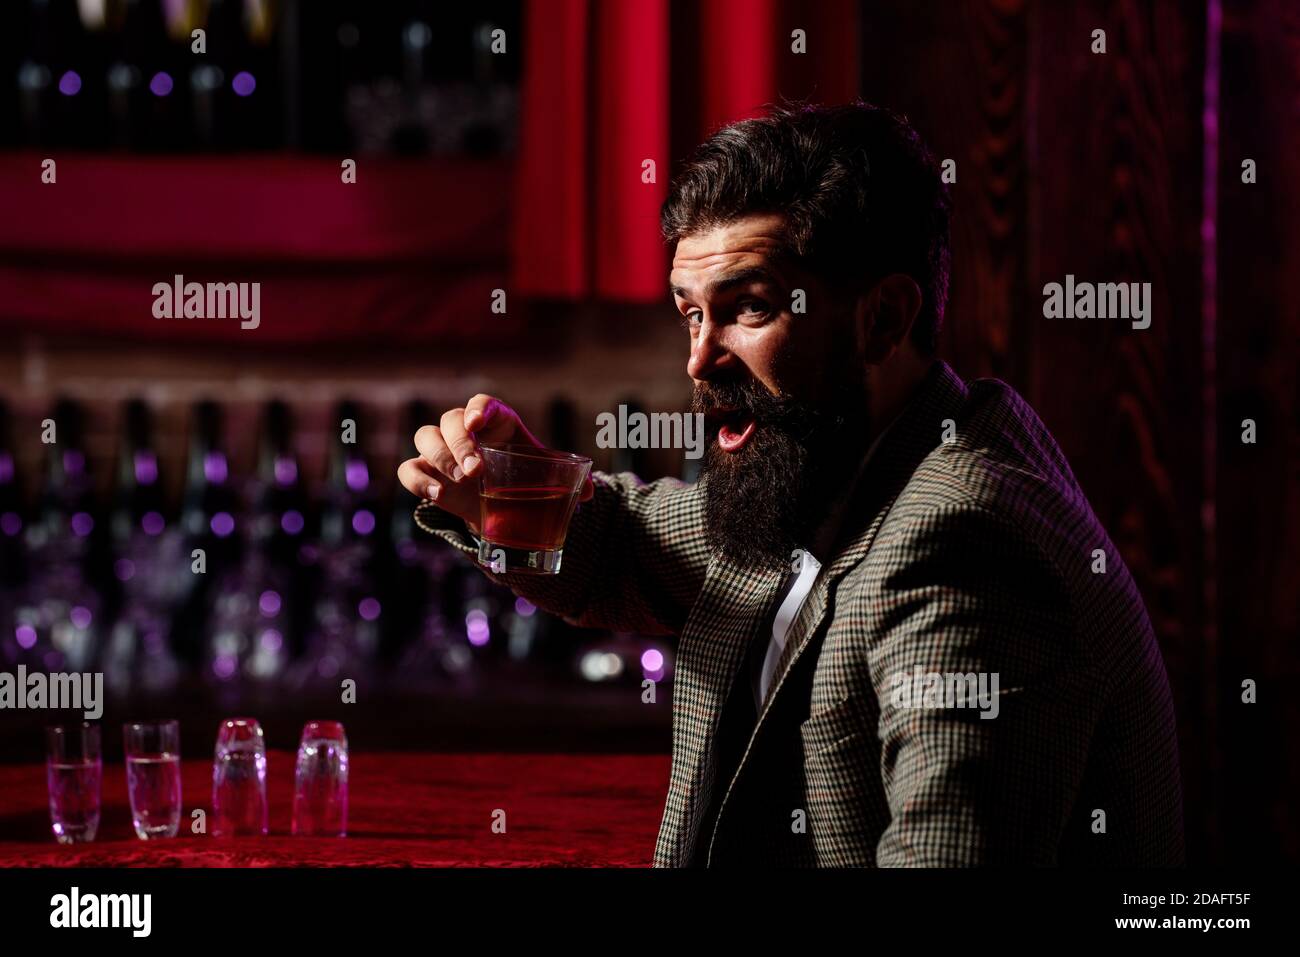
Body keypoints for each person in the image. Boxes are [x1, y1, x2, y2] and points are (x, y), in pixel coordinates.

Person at [397, 102, 1185, 867]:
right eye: (691, 315)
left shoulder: (962, 549)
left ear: (882, 319)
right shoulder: (827, 466)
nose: (700, 361)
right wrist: (505, 489)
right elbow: (635, 544)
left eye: (751, 308)